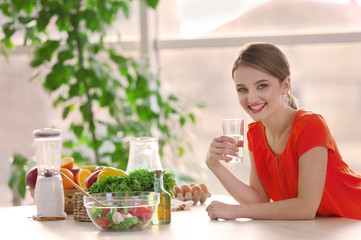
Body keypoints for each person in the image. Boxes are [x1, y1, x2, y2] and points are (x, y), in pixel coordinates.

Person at [205, 42, 361, 220]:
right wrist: (214, 165)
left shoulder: (310, 126)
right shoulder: (255, 133)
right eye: (242, 89)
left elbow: (305, 208)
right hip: (333, 228)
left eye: (262, 85)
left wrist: (235, 211)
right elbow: (258, 201)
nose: (251, 97)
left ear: (285, 85)